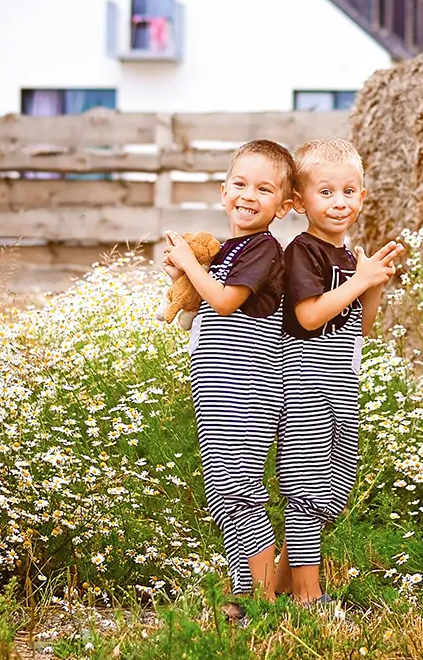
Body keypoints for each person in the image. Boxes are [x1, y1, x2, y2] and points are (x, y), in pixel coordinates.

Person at [162, 139, 295, 615]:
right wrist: (183, 272)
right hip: (218, 376)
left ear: (282, 207)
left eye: (264, 189)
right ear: (223, 192)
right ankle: (251, 587)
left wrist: (193, 265)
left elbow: (223, 302)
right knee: (226, 489)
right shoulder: (230, 249)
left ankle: (255, 595)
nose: (248, 195)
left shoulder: (262, 248)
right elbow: (201, 299)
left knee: (236, 488)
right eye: (240, 184)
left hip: (247, 373)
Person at [272, 138, 404, 603]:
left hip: (341, 383)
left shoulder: (349, 257)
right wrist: (360, 282)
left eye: (349, 191)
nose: (339, 202)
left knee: (331, 496)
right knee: (306, 490)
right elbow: (308, 317)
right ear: (299, 201)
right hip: (304, 380)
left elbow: (361, 325)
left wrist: (371, 284)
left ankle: (271, 590)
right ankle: (311, 600)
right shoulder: (302, 251)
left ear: (363, 196)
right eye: (325, 192)